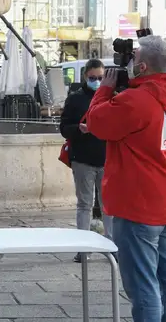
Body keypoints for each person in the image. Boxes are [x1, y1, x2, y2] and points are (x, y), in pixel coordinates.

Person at [85, 35, 166, 322]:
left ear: (142, 67)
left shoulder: (137, 100)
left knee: (143, 286)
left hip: (138, 204)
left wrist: (105, 90)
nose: (128, 64)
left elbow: (96, 122)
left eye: (133, 59)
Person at [59, 59, 111, 263]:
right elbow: (64, 127)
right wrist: (78, 129)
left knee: (108, 205)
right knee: (84, 204)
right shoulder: (76, 99)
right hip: (82, 159)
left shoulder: (111, 97)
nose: (97, 82)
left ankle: (110, 246)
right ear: (84, 77)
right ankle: (83, 248)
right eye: (92, 78)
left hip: (107, 158)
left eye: (100, 78)